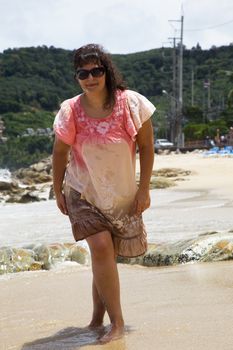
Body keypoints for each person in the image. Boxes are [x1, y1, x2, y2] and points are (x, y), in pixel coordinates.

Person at [52, 43, 155, 343]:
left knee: (105, 253)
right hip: (82, 191)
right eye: (83, 73)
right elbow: (60, 153)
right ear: (77, 78)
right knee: (100, 247)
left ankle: (97, 316)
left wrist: (144, 189)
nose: (90, 77)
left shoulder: (132, 104)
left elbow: (147, 148)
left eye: (96, 70)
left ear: (106, 71)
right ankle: (117, 323)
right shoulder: (70, 111)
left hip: (120, 194)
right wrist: (57, 189)